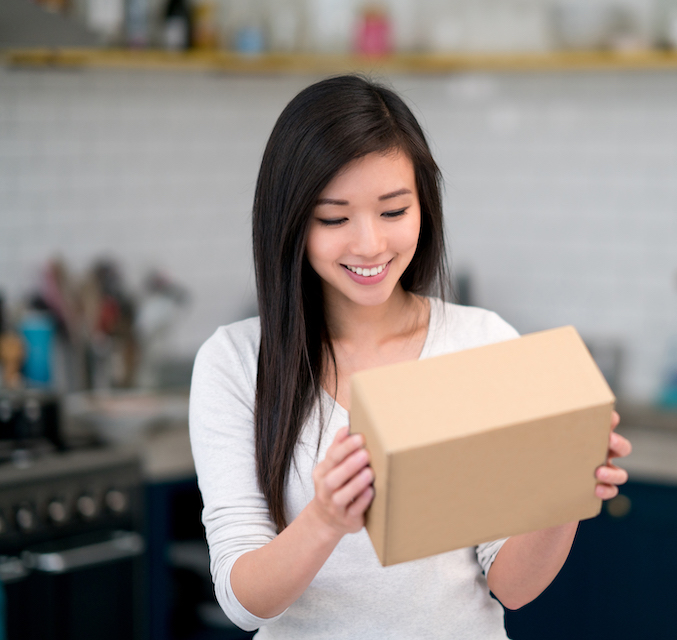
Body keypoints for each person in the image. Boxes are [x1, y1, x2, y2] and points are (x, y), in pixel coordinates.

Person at [189, 74, 631, 639]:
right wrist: (324, 521)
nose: (370, 244)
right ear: (291, 221)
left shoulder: (482, 343)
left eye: (394, 212)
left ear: (424, 208)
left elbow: (513, 587)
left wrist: (566, 489)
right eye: (334, 218)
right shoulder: (235, 362)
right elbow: (243, 602)